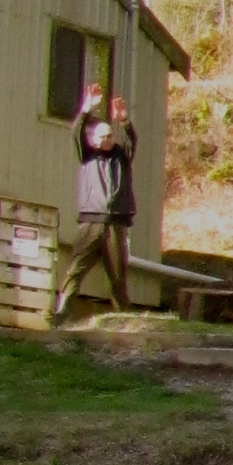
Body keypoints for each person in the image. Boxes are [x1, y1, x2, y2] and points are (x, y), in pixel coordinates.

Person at [56, 85, 136, 321]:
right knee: (77, 268)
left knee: (118, 275)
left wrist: (124, 120)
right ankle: (62, 311)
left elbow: (132, 140)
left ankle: (123, 317)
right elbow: (76, 133)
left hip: (116, 223)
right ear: (93, 139)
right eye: (102, 136)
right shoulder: (87, 155)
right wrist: (86, 108)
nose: (107, 139)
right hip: (91, 222)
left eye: (110, 135)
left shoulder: (121, 156)